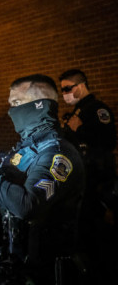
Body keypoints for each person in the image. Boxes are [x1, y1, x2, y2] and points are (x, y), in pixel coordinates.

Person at [0, 74, 85, 284]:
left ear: (39, 104)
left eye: (16, 103)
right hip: (13, 266)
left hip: (45, 271)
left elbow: (27, 205)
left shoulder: (57, 154)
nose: (11, 111)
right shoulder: (26, 149)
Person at [59, 68, 117, 281]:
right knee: (83, 232)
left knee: (98, 233)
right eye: (62, 89)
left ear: (80, 86)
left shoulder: (97, 109)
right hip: (81, 181)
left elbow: (109, 142)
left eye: (67, 88)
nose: (64, 93)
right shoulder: (78, 111)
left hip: (97, 181)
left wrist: (80, 130)